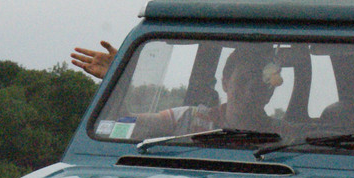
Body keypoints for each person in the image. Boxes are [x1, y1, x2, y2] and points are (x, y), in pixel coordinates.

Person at [75, 41, 282, 137]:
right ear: (226, 82)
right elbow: (122, 124)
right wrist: (119, 76)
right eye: (243, 81)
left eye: (259, 84)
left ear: (270, 91)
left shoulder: (285, 135)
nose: (249, 92)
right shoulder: (187, 119)